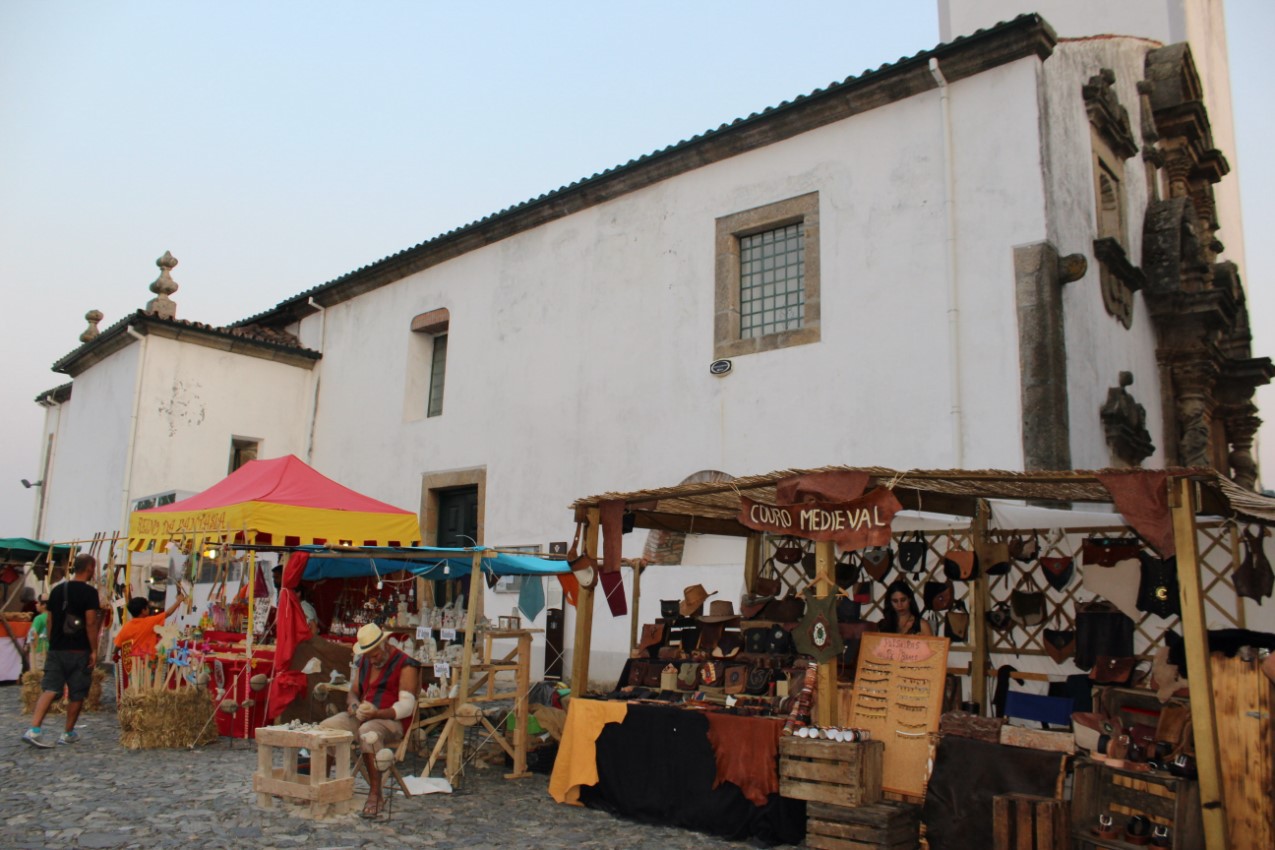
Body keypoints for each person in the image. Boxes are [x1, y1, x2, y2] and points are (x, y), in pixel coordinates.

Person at [319, 623, 419, 818]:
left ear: (385, 645)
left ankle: (375, 794)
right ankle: (323, 784)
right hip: (364, 716)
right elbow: (353, 692)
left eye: (375, 655)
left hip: (391, 719)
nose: (373, 660)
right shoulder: (365, 661)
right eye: (369, 656)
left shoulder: (405, 663)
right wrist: (355, 705)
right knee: (327, 728)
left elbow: (406, 708)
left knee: (368, 733)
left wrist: (376, 714)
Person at [23, 554, 100, 748]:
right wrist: (93, 650)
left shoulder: (57, 590)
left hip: (57, 647)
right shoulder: (90, 593)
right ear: (90, 568)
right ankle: (67, 732)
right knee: (77, 692)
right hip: (79, 648)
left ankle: (34, 729)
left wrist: (52, 641)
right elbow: (90, 622)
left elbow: (50, 620)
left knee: (50, 688)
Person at [113, 592, 187, 659]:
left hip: (134, 662)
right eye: (147, 607)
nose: (149, 609)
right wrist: (178, 601)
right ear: (143, 610)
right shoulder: (150, 622)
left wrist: (115, 654)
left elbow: (118, 644)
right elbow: (167, 613)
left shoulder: (127, 626)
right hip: (149, 661)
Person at [28, 595, 49, 670]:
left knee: (37, 673)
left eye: (38, 603)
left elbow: (33, 634)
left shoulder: (38, 618)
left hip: (39, 650)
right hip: (50, 649)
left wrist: (31, 647)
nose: (36, 604)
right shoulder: (53, 617)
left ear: (44, 605)